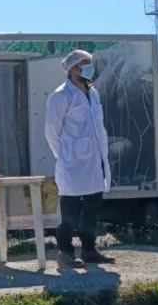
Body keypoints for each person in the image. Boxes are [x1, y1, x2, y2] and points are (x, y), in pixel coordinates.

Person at [44, 49, 113, 269]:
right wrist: (64, 156)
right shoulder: (60, 95)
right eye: (85, 64)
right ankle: (65, 252)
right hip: (72, 162)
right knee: (70, 210)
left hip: (94, 160)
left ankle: (89, 249)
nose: (89, 68)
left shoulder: (93, 94)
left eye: (90, 63)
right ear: (73, 69)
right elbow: (51, 132)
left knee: (92, 206)